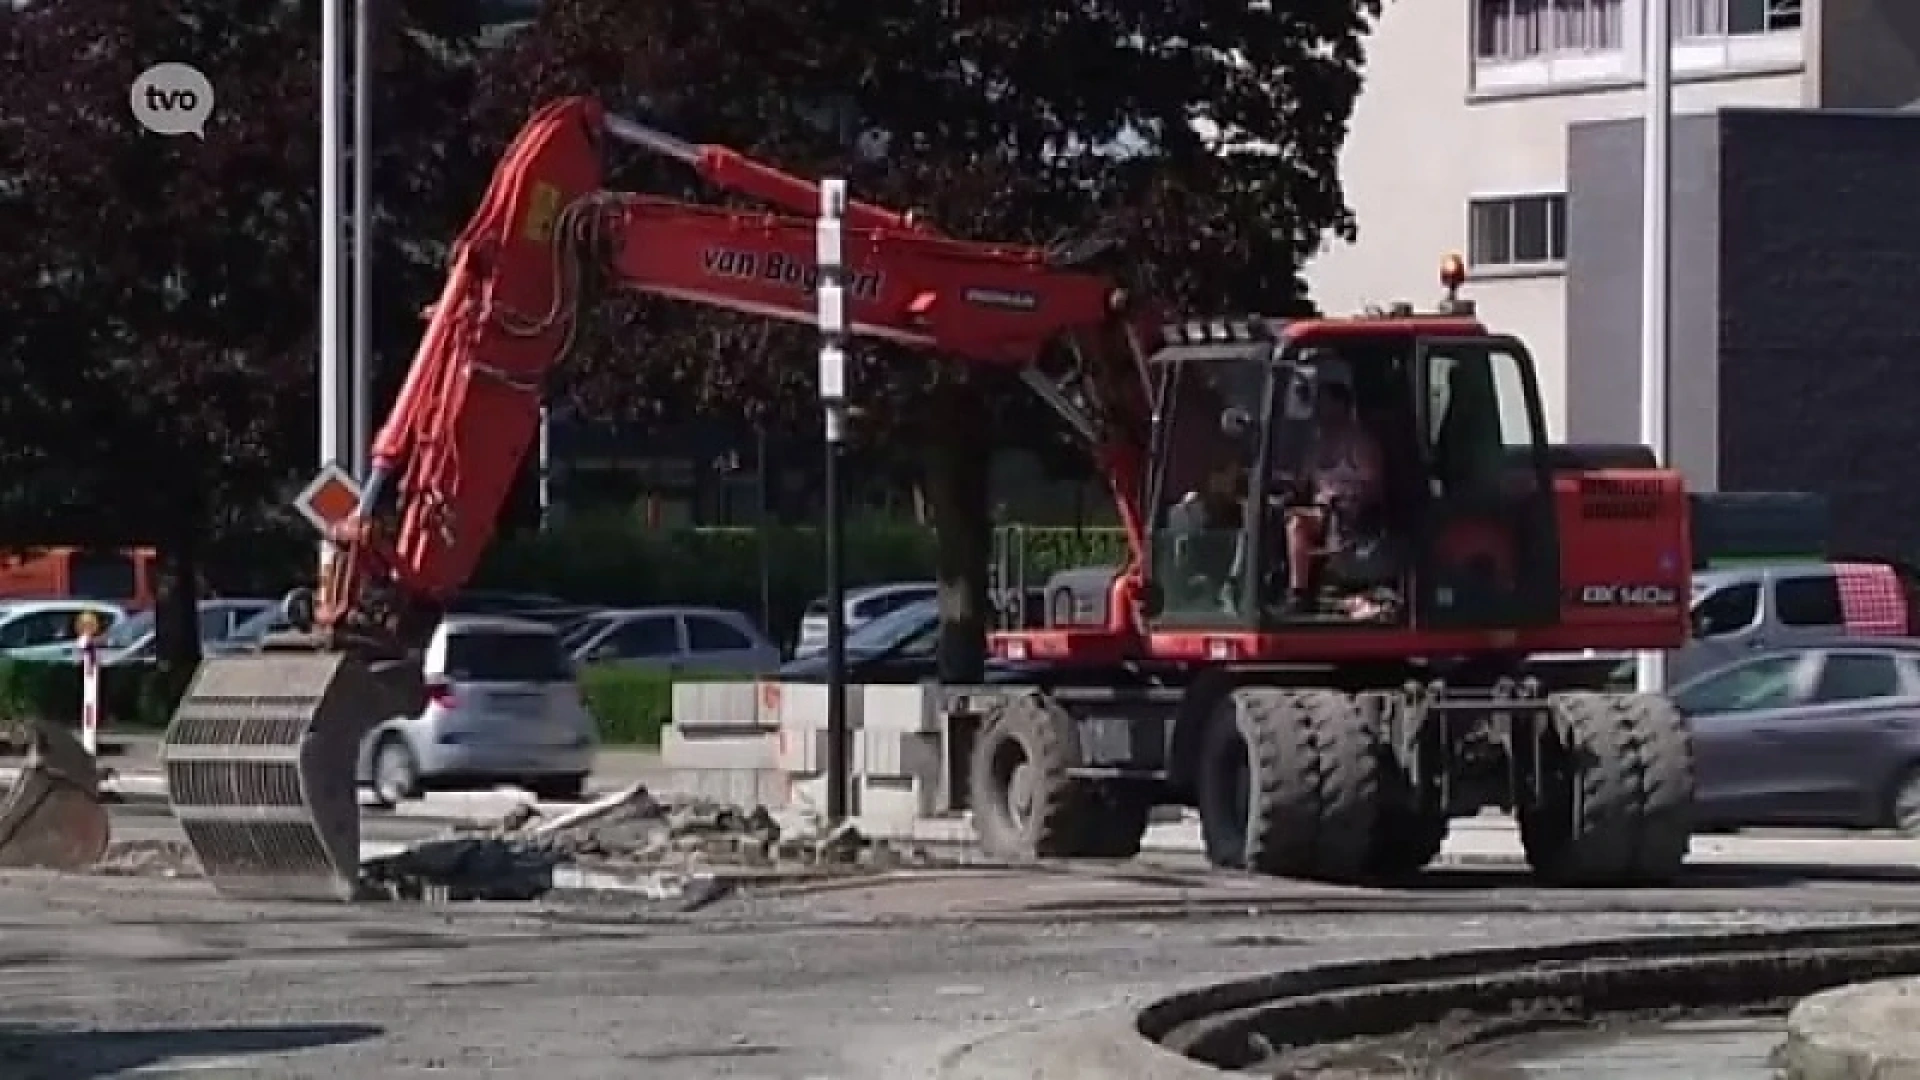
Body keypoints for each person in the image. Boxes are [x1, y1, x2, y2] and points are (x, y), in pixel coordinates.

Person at [1279, 359, 1384, 609]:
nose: (1317, 410)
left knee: (1297, 525)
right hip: (1322, 512)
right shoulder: (1315, 445)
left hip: (1351, 515)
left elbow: (1376, 488)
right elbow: (1302, 482)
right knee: (1272, 516)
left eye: (1324, 403)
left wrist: (1350, 503)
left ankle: (1299, 594)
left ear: (1342, 406)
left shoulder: (1360, 444)